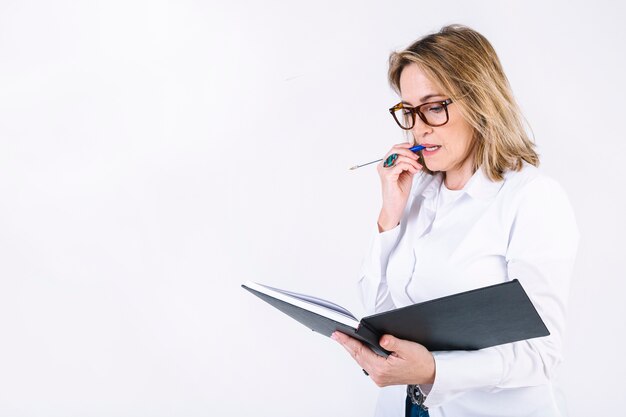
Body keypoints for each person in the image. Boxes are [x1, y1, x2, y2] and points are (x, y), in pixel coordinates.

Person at [331, 25, 579, 417]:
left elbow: (542, 353)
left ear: (481, 103)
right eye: (409, 111)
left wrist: (434, 368)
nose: (419, 127)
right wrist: (389, 217)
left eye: (433, 107)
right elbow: (380, 317)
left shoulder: (531, 198)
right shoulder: (415, 193)